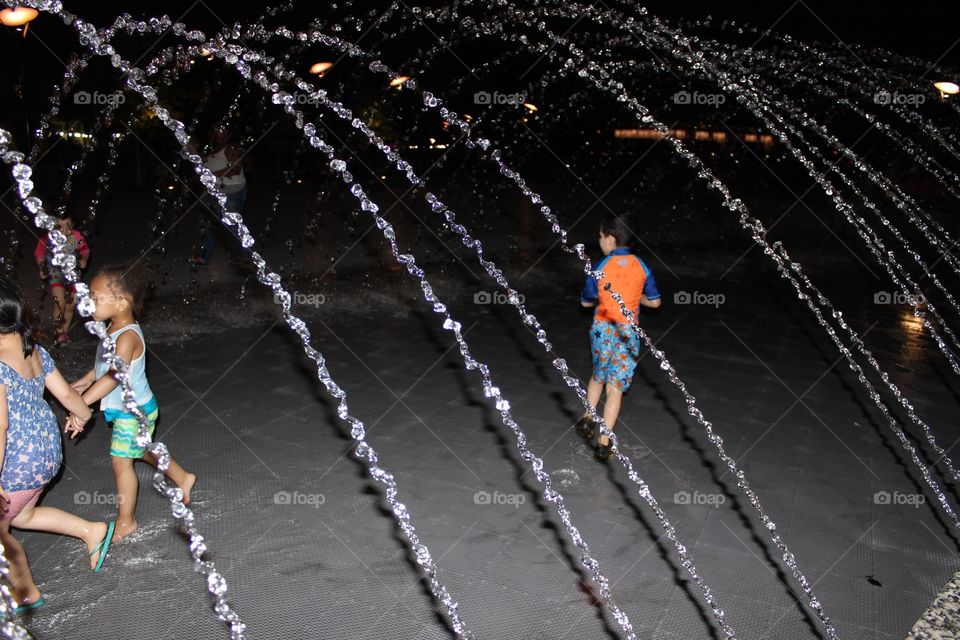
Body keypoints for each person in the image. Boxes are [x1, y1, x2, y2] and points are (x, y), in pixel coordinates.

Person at [0, 277, 114, 616]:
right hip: (48, 451)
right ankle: (90, 530)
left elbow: (1, 426)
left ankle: (26, 593)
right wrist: (82, 415)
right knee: (24, 515)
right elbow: (66, 396)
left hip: (17, 460)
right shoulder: (33, 349)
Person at [70, 265, 195, 542]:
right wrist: (85, 380)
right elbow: (104, 365)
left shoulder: (127, 336)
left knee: (120, 462)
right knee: (140, 451)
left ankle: (126, 521)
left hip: (134, 412)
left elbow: (115, 376)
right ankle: (183, 477)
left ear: (122, 302)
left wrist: (82, 402)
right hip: (133, 409)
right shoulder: (112, 327)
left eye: (95, 296)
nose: (88, 302)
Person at [575, 214, 662, 461]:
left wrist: (593, 298)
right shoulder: (642, 266)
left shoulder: (601, 267)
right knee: (616, 388)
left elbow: (585, 300)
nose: (599, 241)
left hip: (602, 329)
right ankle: (604, 442)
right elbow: (655, 302)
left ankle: (588, 416)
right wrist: (638, 301)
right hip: (628, 333)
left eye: (601, 237)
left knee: (597, 375)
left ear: (611, 240)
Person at [34, 210, 90, 344]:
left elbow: (85, 250)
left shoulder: (77, 236)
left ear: (73, 224)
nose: (64, 230)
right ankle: (58, 331)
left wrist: (84, 259)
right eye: (59, 226)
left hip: (73, 274)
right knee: (60, 303)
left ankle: (64, 331)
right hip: (55, 274)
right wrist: (42, 267)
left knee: (71, 305)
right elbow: (39, 254)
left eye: (68, 225)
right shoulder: (47, 239)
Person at [194, 127, 246, 266]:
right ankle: (204, 257)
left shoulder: (230, 148)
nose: (219, 135)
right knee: (211, 222)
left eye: (223, 132)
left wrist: (213, 175)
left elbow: (236, 168)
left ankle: (246, 255)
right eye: (217, 132)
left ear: (228, 134)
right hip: (219, 191)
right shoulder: (211, 152)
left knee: (233, 225)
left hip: (233, 190)